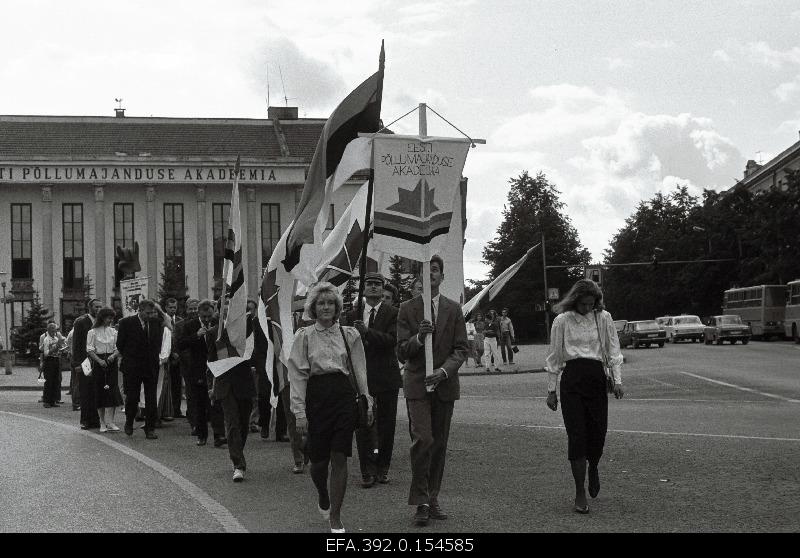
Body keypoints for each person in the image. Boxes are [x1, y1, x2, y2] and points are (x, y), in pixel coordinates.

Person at [289, 282, 373, 534]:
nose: (326, 307)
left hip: (343, 398)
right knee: (318, 462)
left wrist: (367, 400)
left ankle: (335, 516)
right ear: (313, 308)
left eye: (330, 303)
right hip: (316, 398)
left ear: (337, 307)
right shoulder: (303, 336)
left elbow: (360, 370)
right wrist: (299, 412)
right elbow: (297, 375)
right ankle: (322, 494)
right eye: (321, 303)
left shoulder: (350, 335)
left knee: (340, 456)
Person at [396, 255, 469, 526]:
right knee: (423, 439)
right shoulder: (407, 309)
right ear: (419, 277)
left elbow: (461, 348)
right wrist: (418, 338)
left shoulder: (453, 309)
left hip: (444, 384)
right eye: (425, 271)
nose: (431, 275)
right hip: (417, 383)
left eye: (435, 270)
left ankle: (432, 497)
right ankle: (421, 500)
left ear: (442, 275)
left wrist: (444, 371)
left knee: (439, 445)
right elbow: (402, 351)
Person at [545, 279, 624, 514]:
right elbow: (554, 357)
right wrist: (551, 390)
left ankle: (594, 465)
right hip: (572, 381)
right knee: (577, 436)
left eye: (592, 304)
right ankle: (579, 491)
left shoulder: (604, 317)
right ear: (575, 300)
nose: (588, 308)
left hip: (596, 379)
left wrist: (617, 381)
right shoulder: (562, 321)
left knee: (598, 433)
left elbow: (613, 350)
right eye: (584, 304)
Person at [349, 272, 402, 488]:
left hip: (386, 377)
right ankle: (367, 470)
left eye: (377, 285)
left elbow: (392, 340)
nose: (372, 288)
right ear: (363, 289)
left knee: (385, 426)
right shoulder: (354, 314)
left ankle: (382, 467)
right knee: (363, 425)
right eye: (369, 284)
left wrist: (367, 332)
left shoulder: (393, 313)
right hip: (363, 377)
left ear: (382, 289)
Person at [207, 308, 258, 483]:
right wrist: (210, 386)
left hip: (244, 383)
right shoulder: (214, 333)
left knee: (243, 424)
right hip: (225, 384)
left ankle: (237, 452)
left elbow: (255, 354)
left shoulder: (247, 332)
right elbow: (211, 360)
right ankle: (238, 464)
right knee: (232, 423)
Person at [176, 299, 226, 447]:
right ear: (198, 314)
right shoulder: (190, 326)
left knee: (216, 403)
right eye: (203, 317)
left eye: (209, 316)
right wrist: (196, 336)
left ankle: (219, 435)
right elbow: (180, 344)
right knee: (200, 404)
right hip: (197, 369)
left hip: (215, 368)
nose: (206, 319)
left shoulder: (219, 324)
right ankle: (201, 435)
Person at [116, 299, 163, 439]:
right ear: (140, 310)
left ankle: (150, 428)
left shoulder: (155, 323)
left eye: (152, 313)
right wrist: (132, 358)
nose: (150, 315)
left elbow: (158, 343)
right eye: (148, 313)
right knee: (132, 397)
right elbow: (120, 344)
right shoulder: (126, 323)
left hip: (150, 366)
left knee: (151, 398)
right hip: (132, 367)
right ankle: (129, 422)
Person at [86, 307, 123, 432]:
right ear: (102, 318)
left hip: (111, 362)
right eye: (108, 318)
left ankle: (111, 422)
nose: (111, 320)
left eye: (112, 318)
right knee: (100, 392)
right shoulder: (92, 332)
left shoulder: (113, 332)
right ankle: (102, 422)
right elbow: (90, 349)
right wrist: (99, 361)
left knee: (112, 391)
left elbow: (119, 347)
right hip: (99, 362)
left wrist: (113, 356)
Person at [71, 299, 103, 428]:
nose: (98, 309)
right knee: (85, 391)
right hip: (84, 361)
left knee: (96, 391)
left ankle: (95, 419)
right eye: (96, 307)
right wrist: (77, 364)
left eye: (100, 307)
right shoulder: (81, 322)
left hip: (98, 361)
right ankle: (85, 420)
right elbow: (77, 344)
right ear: (89, 308)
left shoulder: (101, 322)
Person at [178, 298, 200, 433]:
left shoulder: (205, 321)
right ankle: (194, 423)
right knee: (191, 394)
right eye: (190, 309)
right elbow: (179, 345)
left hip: (203, 363)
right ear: (186, 310)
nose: (193, 311)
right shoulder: (180, 325)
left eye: (195, 308)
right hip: (188, 364)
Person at [164, 297, 185, 419]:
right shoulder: (162, 320)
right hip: (167, 356)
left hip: (178, 358)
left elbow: (180, 339)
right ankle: (167, 410)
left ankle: (177, 410)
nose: (173, 309)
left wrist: (178, 353)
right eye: (170, 307)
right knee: (167, 385)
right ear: (166, 308)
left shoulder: (180, 321)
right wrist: (171, 353)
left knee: (177, 385)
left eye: (175, 307)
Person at [39, 321, 66, 408]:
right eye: (54, 330)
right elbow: (46, 353)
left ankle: (53, 400)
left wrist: (63, 348)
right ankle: (46, 401)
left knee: (56, 381)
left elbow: (59, 349)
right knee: (49, 381)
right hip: (49, 361)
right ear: (50, 330)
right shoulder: (47, 340)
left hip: (56, 360)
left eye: (56, 330)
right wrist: (56, 347)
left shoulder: (56, 339)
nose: (56, 332)